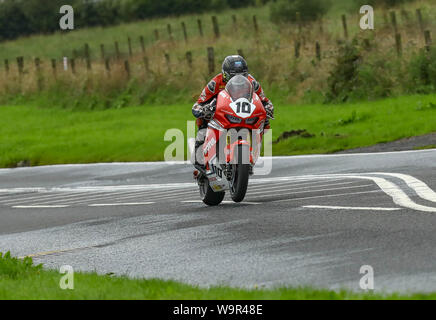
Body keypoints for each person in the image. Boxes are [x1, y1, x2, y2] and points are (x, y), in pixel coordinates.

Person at [191, 55, 274, 168]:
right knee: (202, 122)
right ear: (225, 74)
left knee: (265, 122)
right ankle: (199, 153)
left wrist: (268, 108)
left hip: (243, 112)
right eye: (234, 76)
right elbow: (199, 103)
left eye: (242, 75)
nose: (238, 79)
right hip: (220, 112)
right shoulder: (215, 83)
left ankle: (253, 151)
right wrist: (203, 110)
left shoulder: (252, 83)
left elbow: (264, 100)